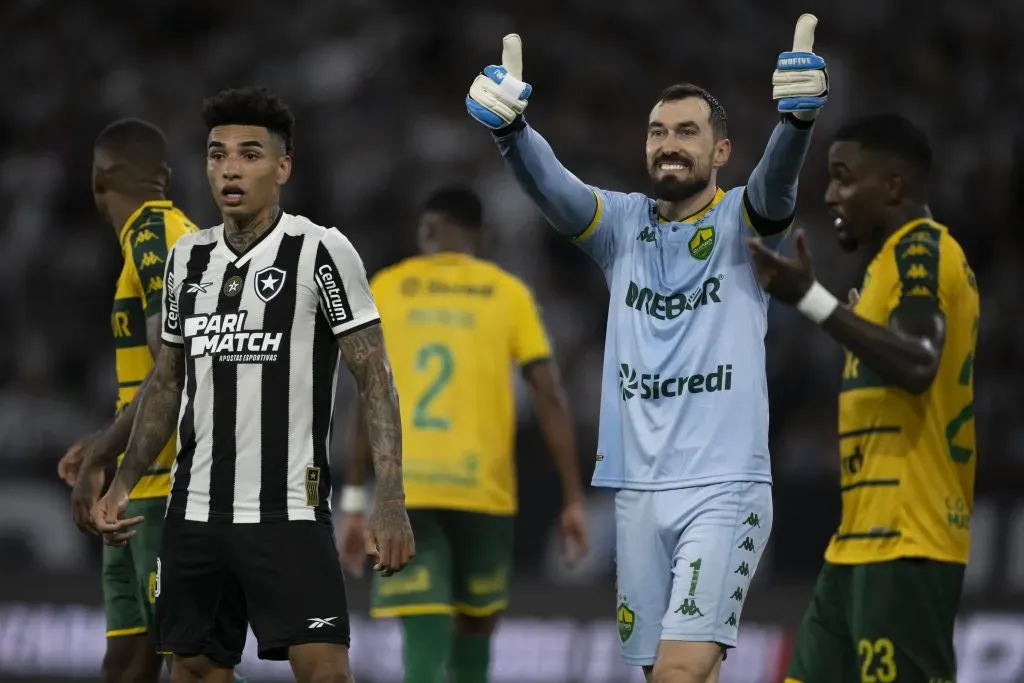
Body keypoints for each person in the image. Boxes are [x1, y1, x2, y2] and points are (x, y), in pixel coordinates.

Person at [464, 16, 829, 683]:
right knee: (670, 670)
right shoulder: (623, 226)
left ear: (721, 151)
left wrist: (795, 125)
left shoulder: (743, 223)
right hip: (637, 492)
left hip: (723, 486)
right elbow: (557, 189)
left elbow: (776, 186)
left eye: (687, 132)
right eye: (658, 132)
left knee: (679, 670)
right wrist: (513, 135)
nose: (669, 144)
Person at [90, 85, 416, 683]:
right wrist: (124, 480)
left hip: (288, 512)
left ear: (283, 167)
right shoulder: (187, 258)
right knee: (193, 670)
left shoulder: (320, 251)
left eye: (250, 154)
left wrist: (390, 498)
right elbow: (167, 382)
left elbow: (375, 378)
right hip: (194, 511)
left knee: (325, 672)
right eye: (217, 155)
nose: (231, 169)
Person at [746, 114, 978, 683]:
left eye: (845, 178)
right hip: (858, 541)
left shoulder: (921, 249)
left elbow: (919, 361)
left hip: (908, 539)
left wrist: (812, 299)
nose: (830, 194)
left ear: (893, 186)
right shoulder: (883, 271)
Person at [337, 185, 590, 683]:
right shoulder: (508, 292)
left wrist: (353, 499)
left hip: (405, 491)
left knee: (424, 637)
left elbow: (367, 395)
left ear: (427, 230)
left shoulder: (388, 287)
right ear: (481, 235)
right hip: (483, 492)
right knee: (475, 633)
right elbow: (548, 393)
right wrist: (573, 497)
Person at [55, 118, 204, 683]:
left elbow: (175, 365)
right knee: (126, 663)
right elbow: (156, 373)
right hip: (139, 488)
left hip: (167, 492)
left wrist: (100, 458)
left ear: (100, 179)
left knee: (194, 665)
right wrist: (107, 440)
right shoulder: (163, 238)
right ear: (164, 176)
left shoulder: (154, 234)